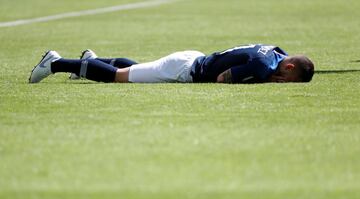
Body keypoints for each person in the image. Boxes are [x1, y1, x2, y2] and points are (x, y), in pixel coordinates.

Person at [29, 44, 314, 84]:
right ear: (289, 69)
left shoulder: (277, 52)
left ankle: (89, 62)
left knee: (140, 69)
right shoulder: (264, 67)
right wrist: (263, 80)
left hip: (192, 57)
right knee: (119, 77)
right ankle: (56, 63)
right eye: (290, 81)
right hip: (184, 69)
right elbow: (222, 80)